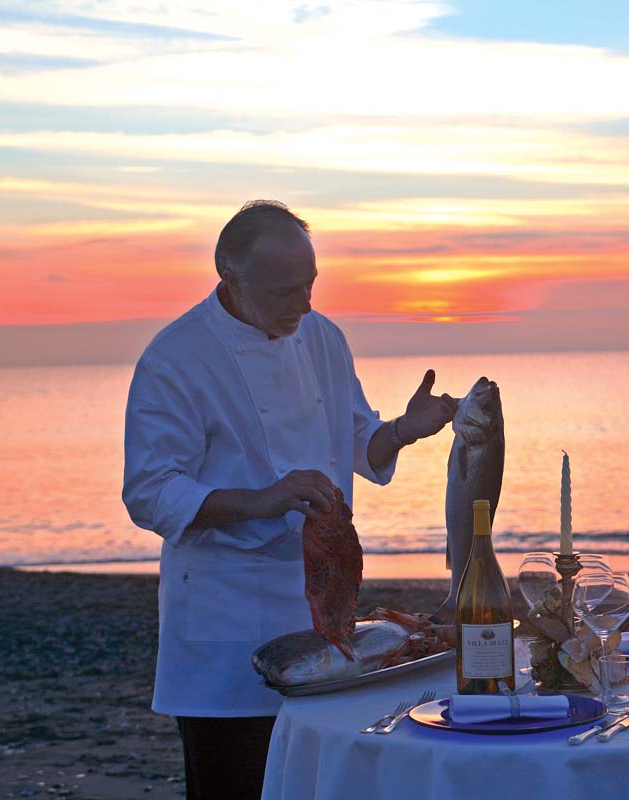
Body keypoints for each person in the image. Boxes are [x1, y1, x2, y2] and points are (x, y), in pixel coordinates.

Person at [122, 200, 458, 799]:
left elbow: (358, 438)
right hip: (224, 616)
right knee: (235, 782)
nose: (303, 304)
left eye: (310, 285)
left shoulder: (323, 335)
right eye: (284, 291)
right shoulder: (176, 357)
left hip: (320, 607)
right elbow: (150, 492)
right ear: (231, 279)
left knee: (319, 781)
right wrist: (263, 500)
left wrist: (405, 429)